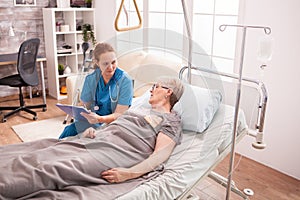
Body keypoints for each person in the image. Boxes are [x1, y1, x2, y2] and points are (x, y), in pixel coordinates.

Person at [0, 77, 184, 199]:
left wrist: (128, 173)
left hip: (120, 152)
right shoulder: (140, 109)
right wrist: (97, 131)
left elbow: (160, 155)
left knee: (53, 168)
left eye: (156, 86)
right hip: (100, 140)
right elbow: (116, 124)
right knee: (42, 150)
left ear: (169, 92)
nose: (151, 90)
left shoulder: (172, 120)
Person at [59, 42, 133, 139]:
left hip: (112, 123)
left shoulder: (125, 80)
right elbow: (84, 104)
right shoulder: (91, 79)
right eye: (106, 64)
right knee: (70, 130)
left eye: (113, 62)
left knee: (92, 137)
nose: (111, 67)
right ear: (97, 63)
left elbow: (119, 114)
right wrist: (77, 112)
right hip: (92, 121)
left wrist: (99, 119)